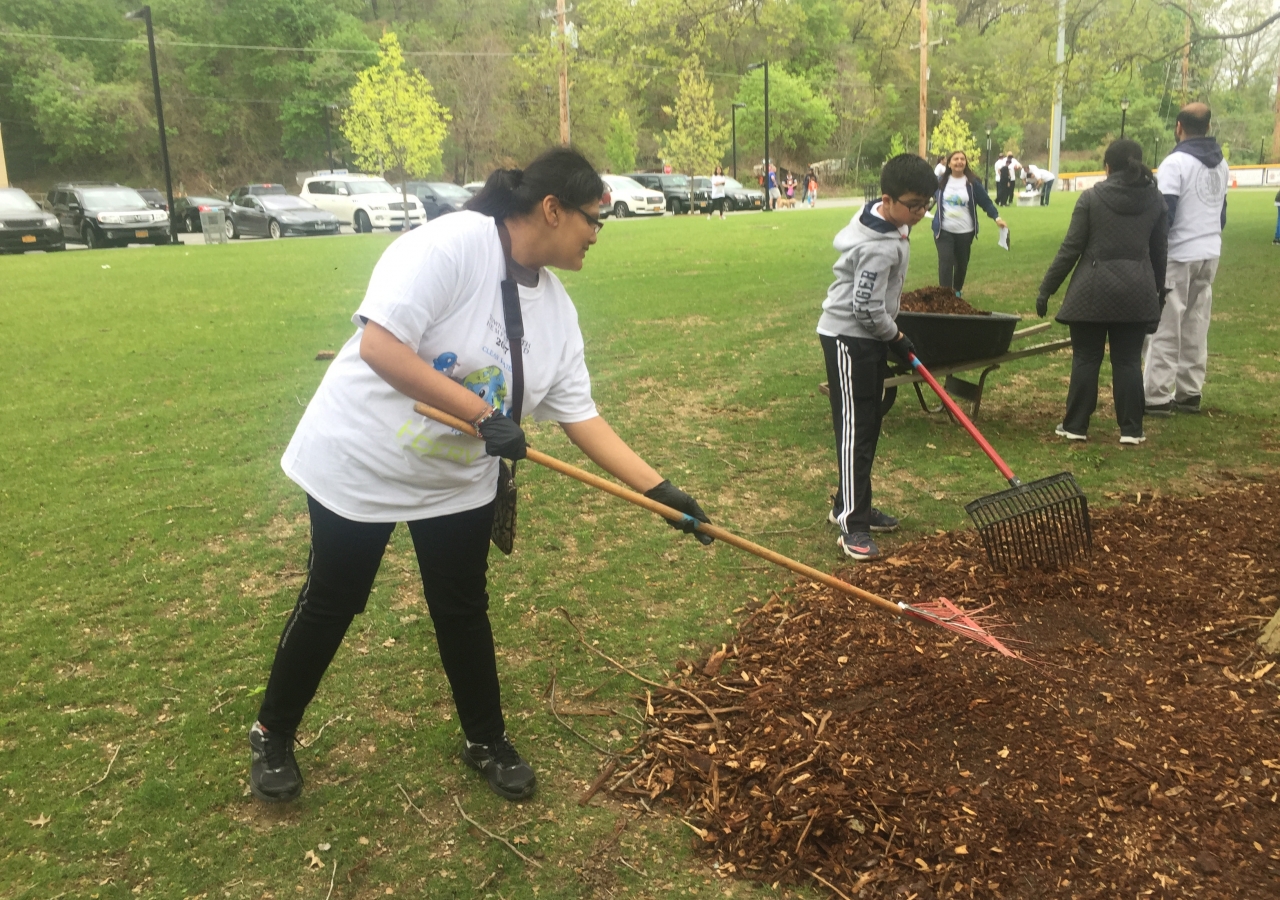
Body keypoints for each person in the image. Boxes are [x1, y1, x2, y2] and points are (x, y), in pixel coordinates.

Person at [248, 147, 712, 805]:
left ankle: (486, 739)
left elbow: (582, 416)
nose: (596, 235)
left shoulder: (556, 312)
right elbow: (380, 346)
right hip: (363, 459)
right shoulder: (452, 245)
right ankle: (272, 732)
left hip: (455, 481)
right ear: (551, 209)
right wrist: (480, 412)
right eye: (592, 219)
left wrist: (658, 490)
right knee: (333, 598)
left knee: (462, 607)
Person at [817, 153, 937, 561]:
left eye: (926, 205)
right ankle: (853, 524)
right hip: (849, 338)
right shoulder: (878, 247)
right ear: (887, 199)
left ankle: (851, 504)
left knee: (867, 424)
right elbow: (865, 308)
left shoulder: (886, 221)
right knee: (856, 429)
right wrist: (897, 337)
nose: (920, 213)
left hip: (866, 336)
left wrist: (890, 336)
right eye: (913, 204)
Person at [1035, 139, 1168, 445]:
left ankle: (1076, 425)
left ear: (1107, 167)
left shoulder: (1092, 198)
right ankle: (1132, 429)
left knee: (1086, 358)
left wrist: (1047, 288)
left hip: (1091, 289)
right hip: (1137, 289)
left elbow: (1070, 249)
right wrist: (1157, 294)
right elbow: (1160, 253)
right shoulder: (1156, 200)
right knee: (1128, 361)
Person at [1143, 103, 1230, 416]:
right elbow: (1221, 214)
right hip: (1209, 251)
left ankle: (1155, 395)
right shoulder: (1221, 164)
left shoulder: (1175, 162)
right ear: (1207, 127)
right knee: (1196, 323)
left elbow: (1164, 212)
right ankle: (1190, 391)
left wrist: (1154, 253)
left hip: (1179, 253)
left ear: (1179, 126)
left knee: (1166, 325)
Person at [931, 150, 1007, 298]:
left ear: (965, 163)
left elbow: (986, 202)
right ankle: (945, 296)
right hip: (943, 230)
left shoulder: (972, 183)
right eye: (955, 159)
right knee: (945, 262)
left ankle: (957, 290)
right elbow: (925, 197)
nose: (959, 162)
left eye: (962, 159)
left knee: (961, 264)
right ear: (949, 163)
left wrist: (997, 218)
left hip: (965, 232)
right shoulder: (940, 181)